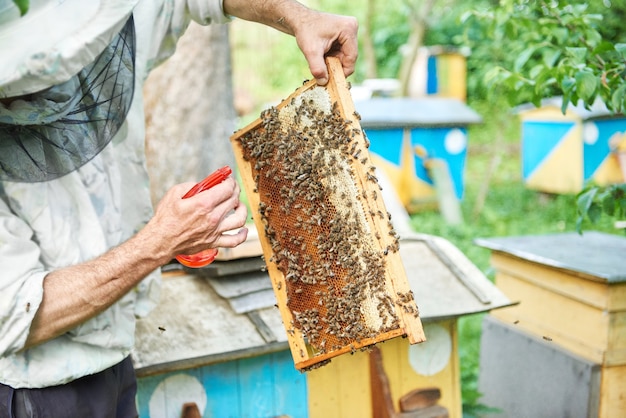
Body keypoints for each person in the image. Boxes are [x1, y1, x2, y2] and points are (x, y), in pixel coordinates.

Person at [0, 0, 358, 416]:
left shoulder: (96, 22)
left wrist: (299, 16)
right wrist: (163, 239)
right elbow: (16, 314)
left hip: (114, 357)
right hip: (32, 390)